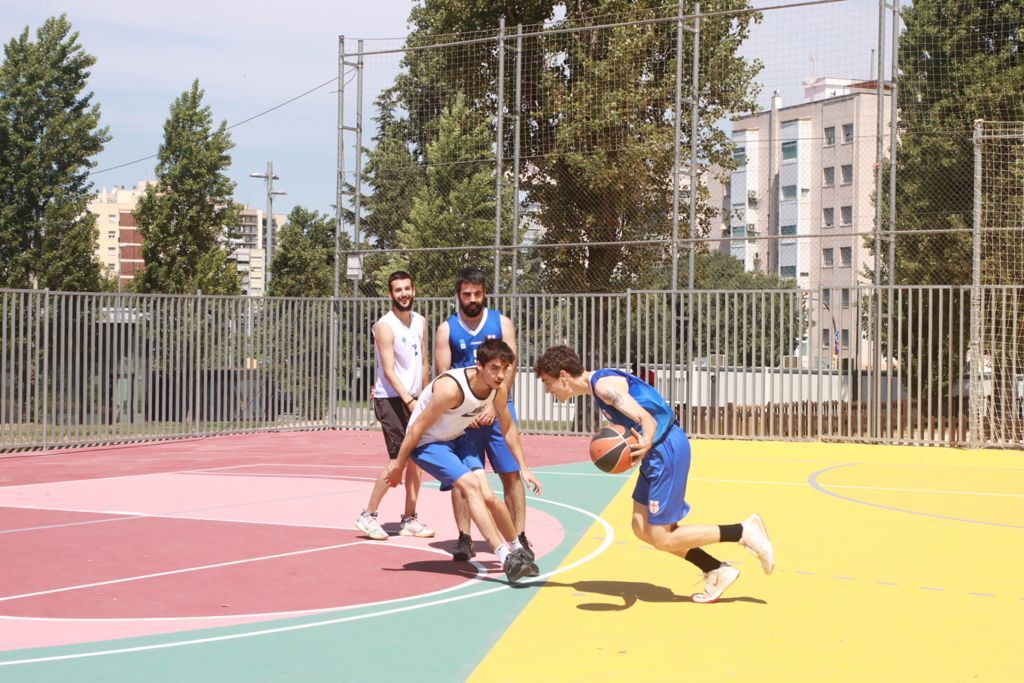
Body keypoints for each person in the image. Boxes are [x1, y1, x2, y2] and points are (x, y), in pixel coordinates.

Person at [533, 345, 775, 604]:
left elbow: (645, 417)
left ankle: (742, 531)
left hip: (664, 449)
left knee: (662, 536)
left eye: (548, 383)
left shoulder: (603, 387)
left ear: (563, 375)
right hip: (654, 454)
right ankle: (717, 569)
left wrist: (646, 440)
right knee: (640, 526)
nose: (548, 391)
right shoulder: (598, 385)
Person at [386, 339, 542, 583]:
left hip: (456, 437)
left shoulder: (497, 390)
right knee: (470, 486)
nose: (501, 375)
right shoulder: (451, 388)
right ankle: (505, 557)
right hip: (428, 443)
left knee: (489, 495)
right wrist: (397, 466)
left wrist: (525, 467)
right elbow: (416, 428)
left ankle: (517, 551)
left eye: (505, 368)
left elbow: (509, 428)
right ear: (479, 366)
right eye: (494, 368)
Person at [434, 268, 533, 562]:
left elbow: (511, 367)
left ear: (484, 292)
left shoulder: (502, 323)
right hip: (464, 415)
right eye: (467, 294)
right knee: (462, 478)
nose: (472, 299)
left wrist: (493, 405)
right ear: (458, 295)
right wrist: (466, 411)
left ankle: (520, 535)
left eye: (477, 293)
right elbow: (445, 375)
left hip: (498, 408)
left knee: (510, 475)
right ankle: (464, 538)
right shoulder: (446, 329)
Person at [355, 271, 434, 541]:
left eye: (407, 289)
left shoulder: (421, 322)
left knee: (417, 461)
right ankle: (368, 514)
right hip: (390, 400)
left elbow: (423, 362)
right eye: (398, 290)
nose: (403, 294)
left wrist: (424, 397)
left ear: (414, 291)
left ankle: (410, 518)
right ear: (391, 294)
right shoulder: (384, 326)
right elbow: (388, 371)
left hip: (415, 399)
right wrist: (409, 400)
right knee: (397, 460)